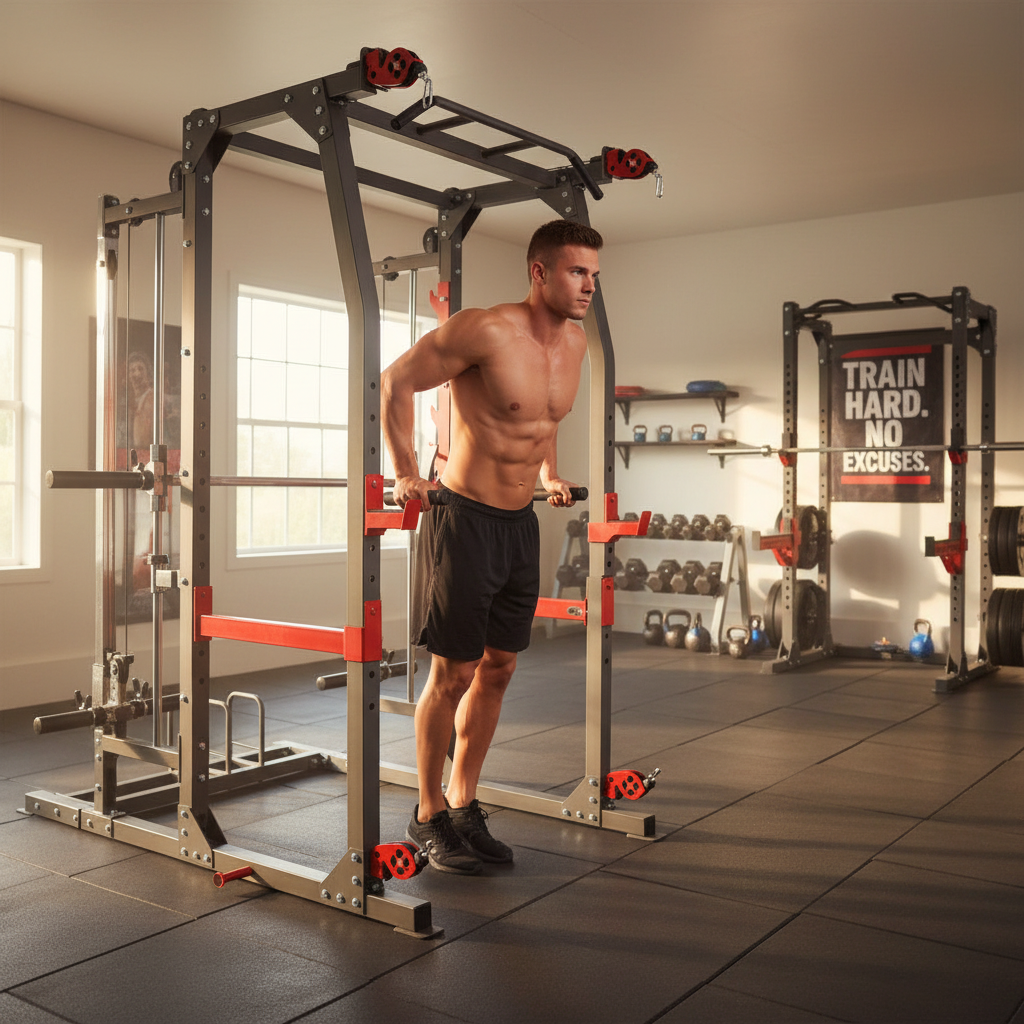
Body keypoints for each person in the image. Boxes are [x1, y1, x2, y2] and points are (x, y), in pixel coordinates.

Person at [381, 219, 602, 874]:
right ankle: (426, 812)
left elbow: (540, 420)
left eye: (594, 275)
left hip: (519, 526)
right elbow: (394, 382)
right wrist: (403, 471)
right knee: (454, 671)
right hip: (465, 520)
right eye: (576, 272)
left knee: (500, 668)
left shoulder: (576, 343)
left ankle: (464, 802)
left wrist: (550, 475)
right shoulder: (484, 329)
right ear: (540, 273)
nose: (589, 286)